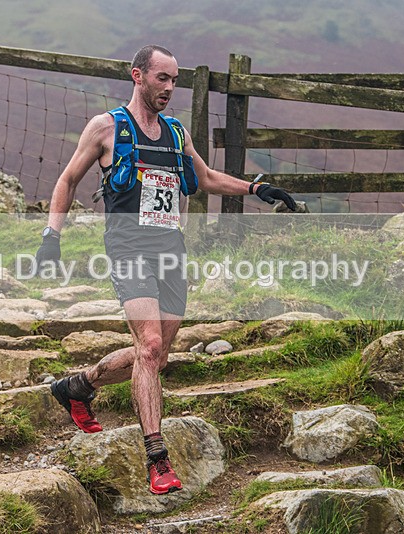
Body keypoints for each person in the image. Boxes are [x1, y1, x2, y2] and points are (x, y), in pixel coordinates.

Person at [36, 45, 295, 495]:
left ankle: (78, 386)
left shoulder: (176, 135)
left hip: (171, 253)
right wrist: (51, 237)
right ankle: (157, 459)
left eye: (175, 81)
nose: (170, 89)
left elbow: (208, 178)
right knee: (151, 344)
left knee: (153, 356)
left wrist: (257, 187)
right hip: (128, 249)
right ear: (138, 76)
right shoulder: (106, 128)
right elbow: (67, 179)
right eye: (162, 79)